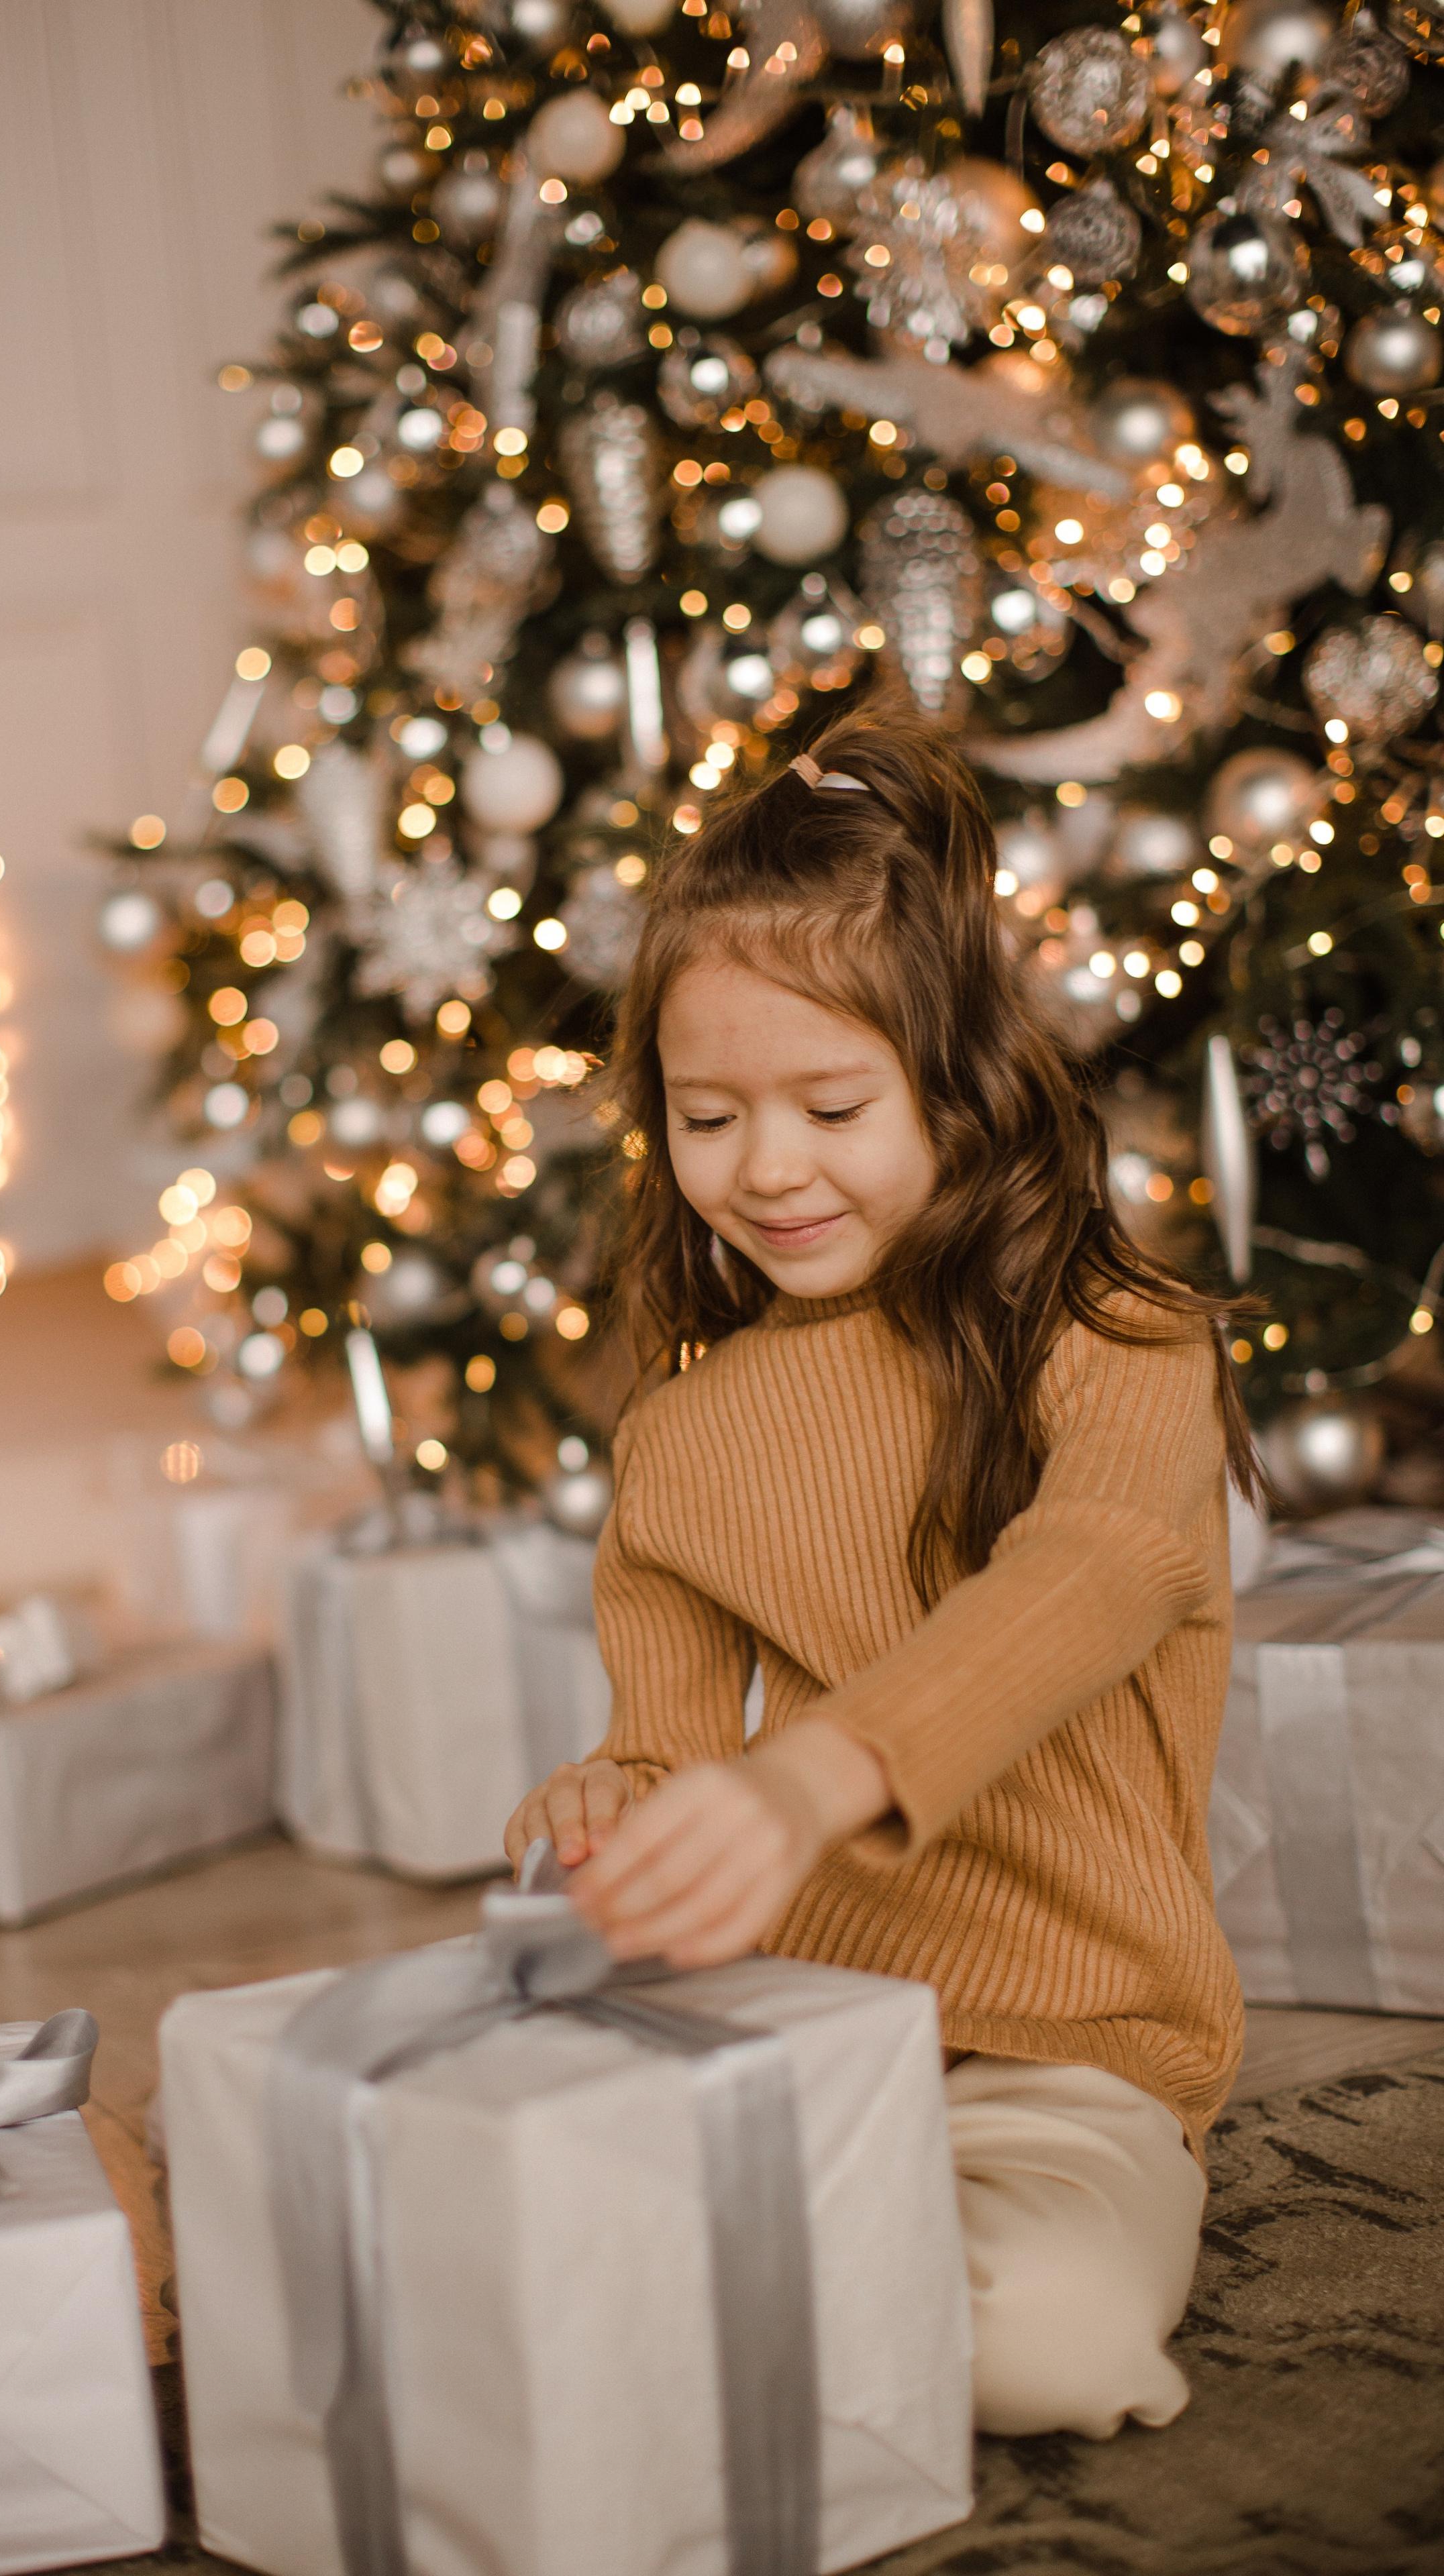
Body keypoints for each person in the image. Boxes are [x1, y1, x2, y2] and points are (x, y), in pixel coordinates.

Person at [506, 714, 1256, 2444]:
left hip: (1076, 2050)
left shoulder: (1118, 1341)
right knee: (466, 2195)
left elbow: (1101, 1569)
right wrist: (612, 1810)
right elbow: (672, 1750)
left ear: (961, 1084)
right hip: (789, 2031)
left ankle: (766, 2288)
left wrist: (815, 1775)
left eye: (832, 1106)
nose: (767, 1169)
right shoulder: (686, 1438)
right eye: (709, 1116)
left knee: (1048, 2347)